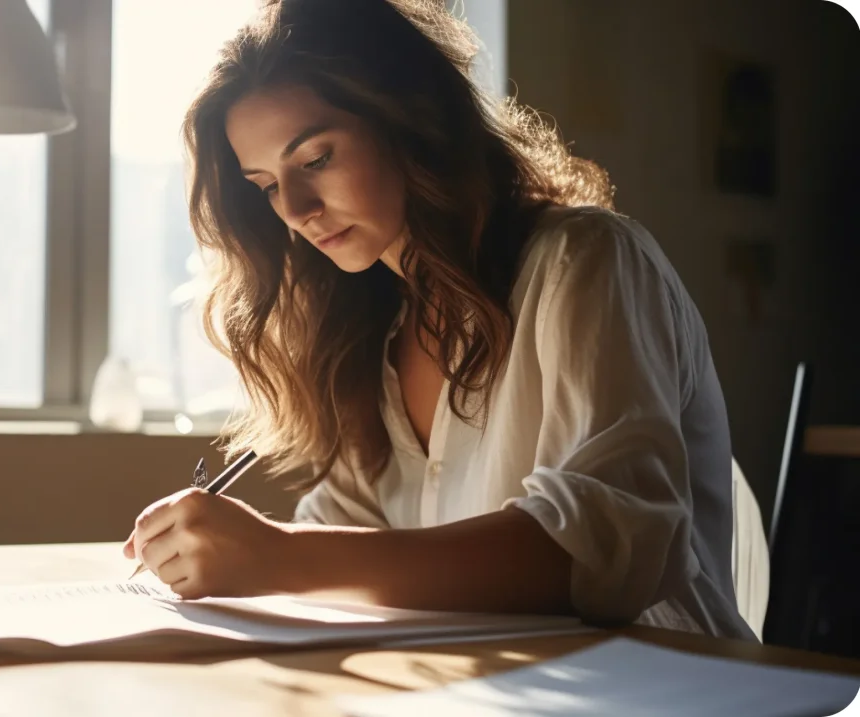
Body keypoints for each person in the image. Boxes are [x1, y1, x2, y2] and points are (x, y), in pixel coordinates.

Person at [121, 0, 758, 640]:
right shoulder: (368, 332)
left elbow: (607, 553)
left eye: (315, 160)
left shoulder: (585, 261)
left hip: (668, 683)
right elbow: (347, 540)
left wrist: (280, 554)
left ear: (410, 118)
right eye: (265, 184)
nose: (295, 210)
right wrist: (244, 550)